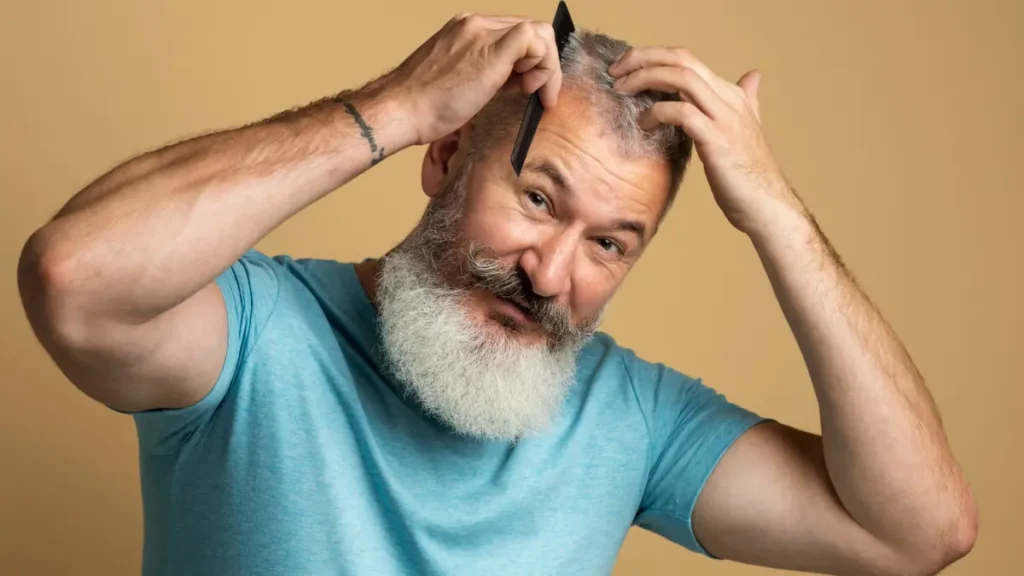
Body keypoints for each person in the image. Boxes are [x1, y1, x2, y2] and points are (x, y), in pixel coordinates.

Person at [18, 12, 976, 576]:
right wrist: (390, 106)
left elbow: (918, 533)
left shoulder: (630, 420)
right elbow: (76, 278)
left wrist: (775, 212)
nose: (551, 275)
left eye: (609, 244)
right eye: (534, 198)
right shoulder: (257, 337)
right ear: (443, 160)